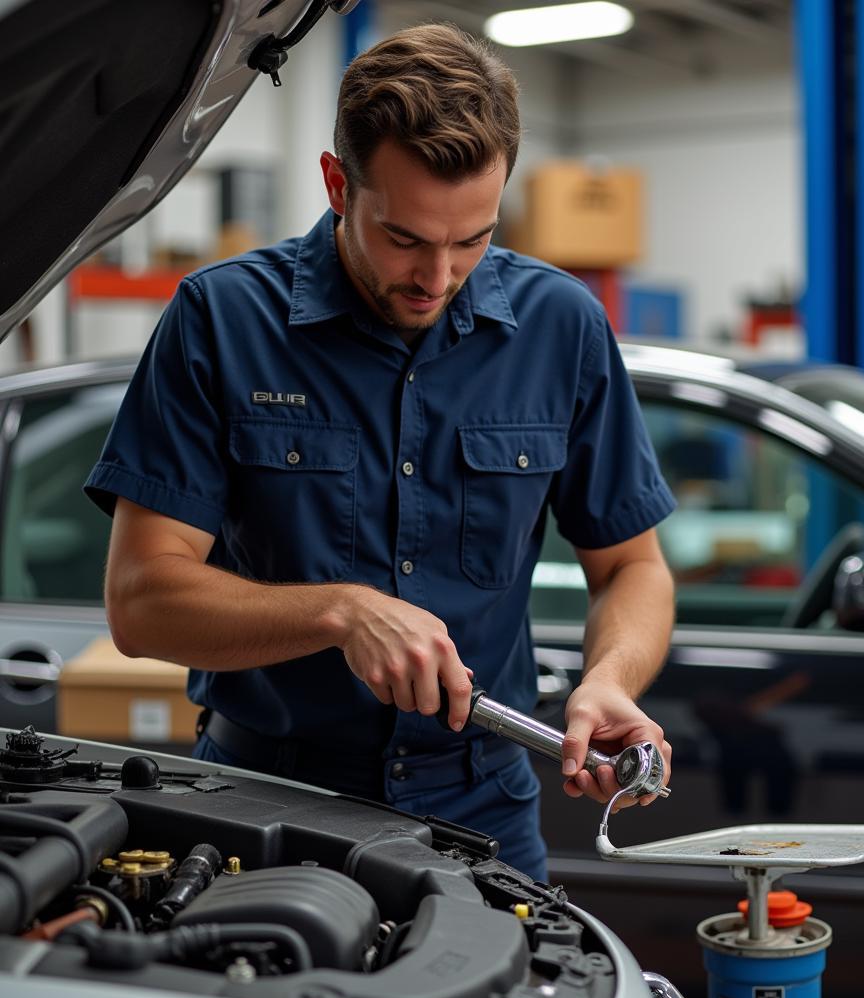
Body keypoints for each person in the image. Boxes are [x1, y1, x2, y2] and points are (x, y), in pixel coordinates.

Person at [85, 23, 675, 880]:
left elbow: (633, 567)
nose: (437, 278)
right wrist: (341, 611)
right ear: (337, 183)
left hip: (483, 812)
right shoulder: (222, 320)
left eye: (470, 239)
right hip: (264, 803)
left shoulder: (562, 327)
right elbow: (142, 603)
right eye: (404, 238)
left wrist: (611, 678)